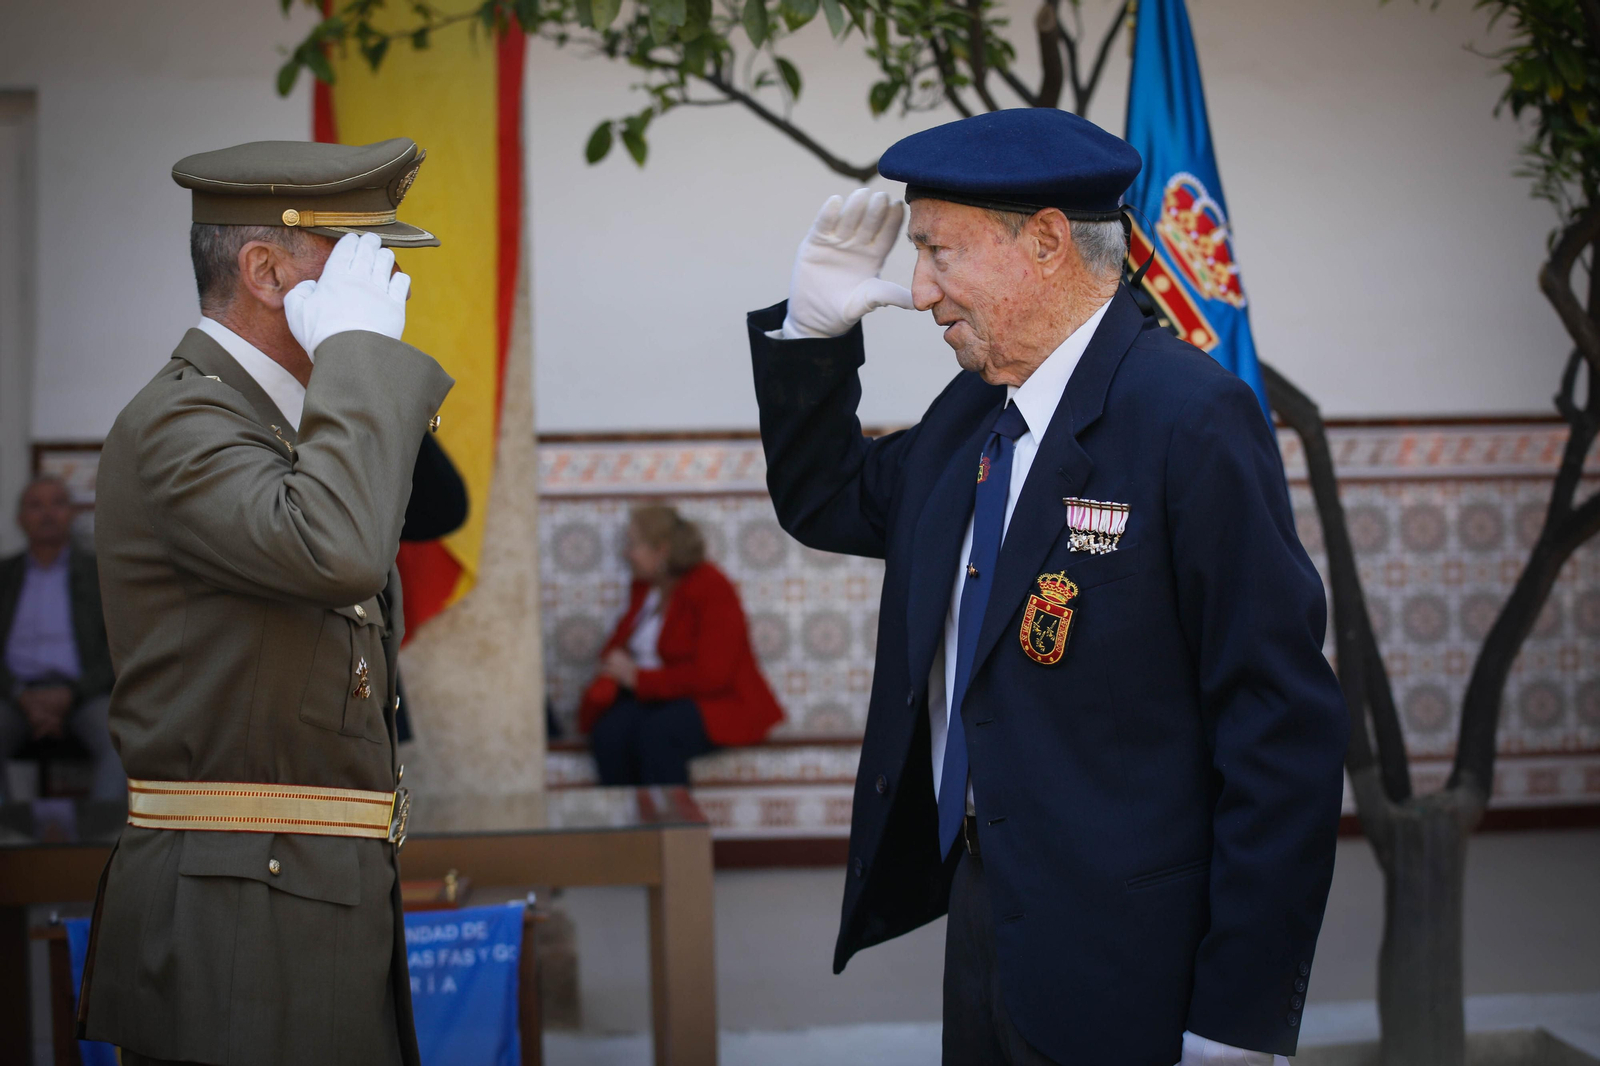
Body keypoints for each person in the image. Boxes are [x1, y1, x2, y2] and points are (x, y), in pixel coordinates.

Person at [746, 109, 1347, 1066]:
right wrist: (812, 339)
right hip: (989, 919)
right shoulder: (972, 412)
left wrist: (1239, 1016)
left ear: (1047, 241)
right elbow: (828, 501)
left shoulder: (1189, 418)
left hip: (1135, 958)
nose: (918, 288)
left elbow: (1281, 733)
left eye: (941, 251)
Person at [78, 138, 454, 1066]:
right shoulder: (181, 423)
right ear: (264, 269)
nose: (384, 279)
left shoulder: (278, 422)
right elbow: (340, 551)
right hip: (232, 922)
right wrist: (362, 356)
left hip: (302, 895)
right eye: (358, 255)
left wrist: (351, 372)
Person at [577, 505, 783, 784]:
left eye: (634, 544)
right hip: (661, 700)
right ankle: (626, 824)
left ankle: (673, 825)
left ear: (661, 550)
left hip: (718, 704)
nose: (627, 554)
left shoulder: (711, 586)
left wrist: (638, 678)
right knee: (610, 732)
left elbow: (712, 676)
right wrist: (617, 666)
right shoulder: (645, 588)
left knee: (658, 734)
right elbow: (618, 645)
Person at [0, 475, 121, 799]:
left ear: (71, 514)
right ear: (20, 519)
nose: (48, 513)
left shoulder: (100, 576)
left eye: (57, 503)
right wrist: (19, 693)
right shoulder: (4, 576)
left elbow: (119, 649)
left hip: (85, 694)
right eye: (36, 505)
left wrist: (72, 693)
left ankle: (96, 845)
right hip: (12, 694)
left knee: (124, 743)